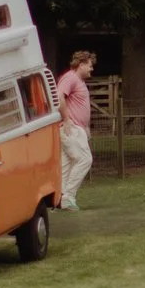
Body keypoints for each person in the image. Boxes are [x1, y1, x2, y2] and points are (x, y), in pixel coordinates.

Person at [56, 50, 97, 208]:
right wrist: (66, 119)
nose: (91, 69)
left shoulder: (79, 81)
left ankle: (60, 198)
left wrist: (86, 127)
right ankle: (68, 196)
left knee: (67, 163)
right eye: (89, 65)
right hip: (70, 127)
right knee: (84, 159)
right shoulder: (70, 78)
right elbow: (59, 97)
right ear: (81, 65)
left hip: (77, 127)